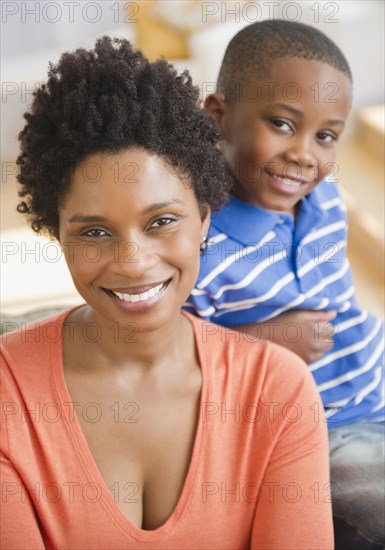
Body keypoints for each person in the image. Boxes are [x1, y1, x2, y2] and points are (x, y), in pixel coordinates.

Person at [0, 37, 333, 549]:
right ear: (56, 231)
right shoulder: (9, 397)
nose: (133, 264)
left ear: (204, 219)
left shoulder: (278, 393)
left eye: (161, 221)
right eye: (93, 232)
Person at [184, 20, 385, 549]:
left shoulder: (324, 204)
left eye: (325, 135)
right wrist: (267, 344)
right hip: (319, 429)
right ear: (219, 118)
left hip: (374, 380)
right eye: (281, 122)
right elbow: (171, 364)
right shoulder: (197, 247)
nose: (304, 153)